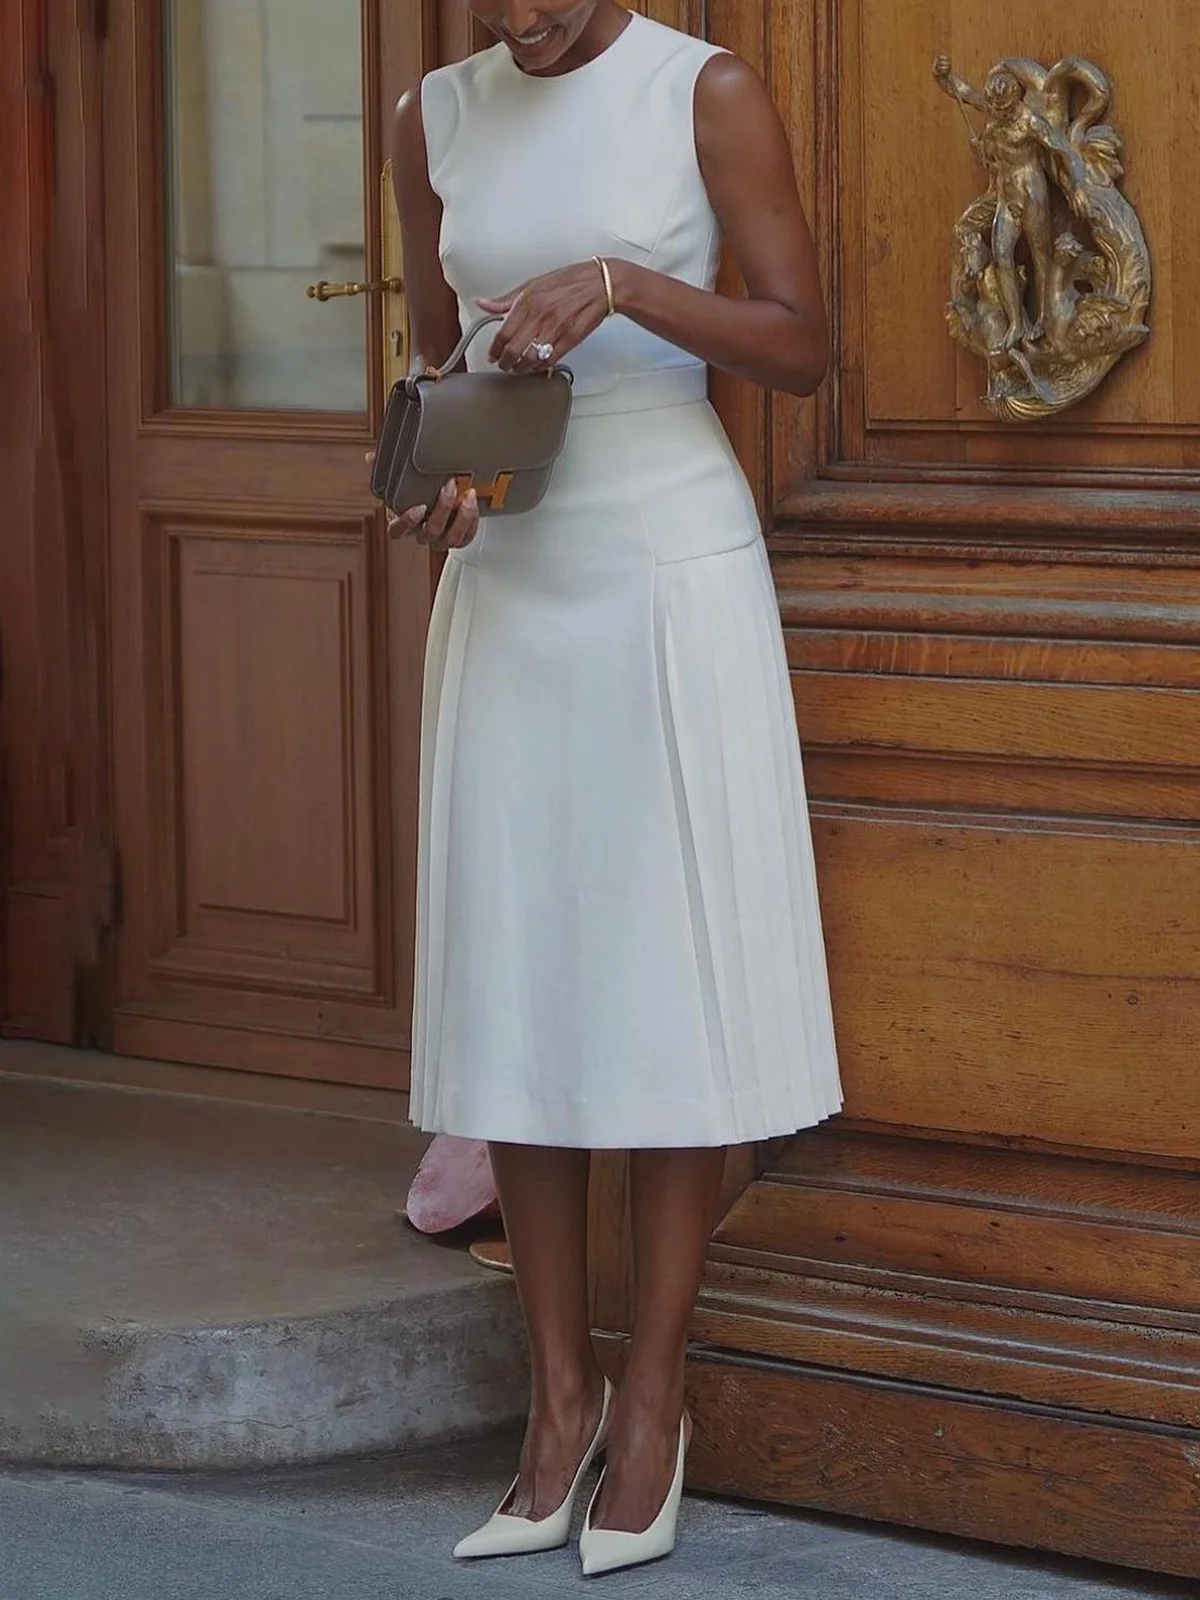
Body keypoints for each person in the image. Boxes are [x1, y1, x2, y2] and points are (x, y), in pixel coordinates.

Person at [388, 0, 842, 1575]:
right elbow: (438, 355)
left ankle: (653, 1398)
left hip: (665, 562)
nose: (516, 17)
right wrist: (445, 477)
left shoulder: (702, 91)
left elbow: (801, 346)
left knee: (663, 983)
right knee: (522, 981)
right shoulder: (431, 116)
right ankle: (557, 1400)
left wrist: (629, 284)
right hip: (512, 574)